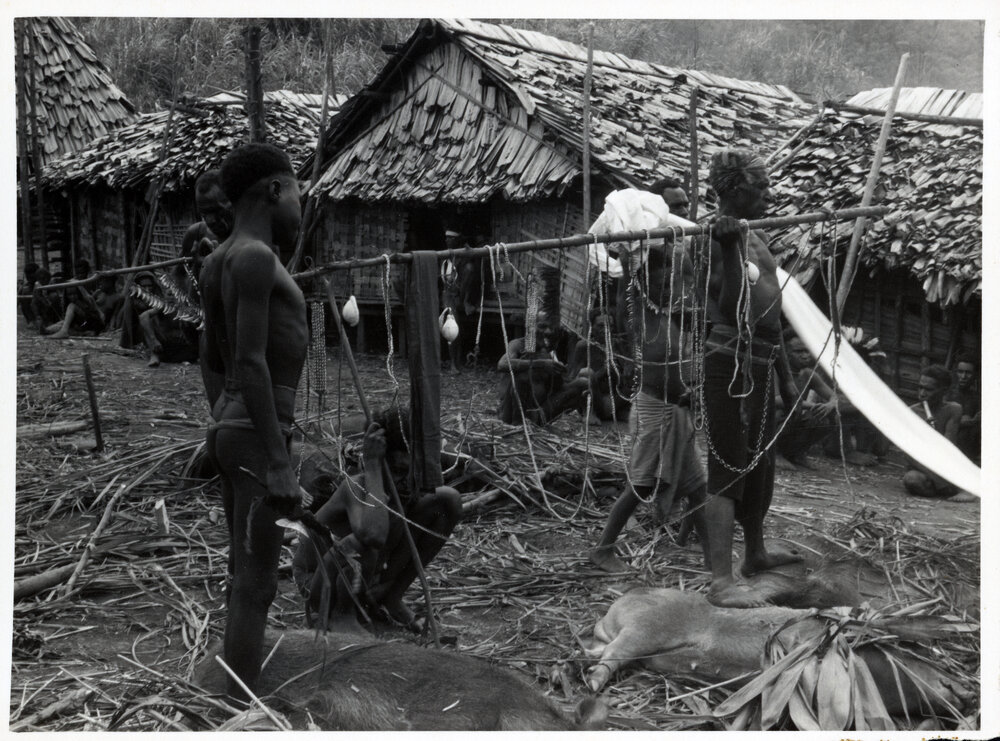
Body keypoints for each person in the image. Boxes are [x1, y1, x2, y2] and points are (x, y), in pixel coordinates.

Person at [199, 143, 308, 699]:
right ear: (272, 191)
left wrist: (221, 422)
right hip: (255, 438)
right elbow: (248, 359)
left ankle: (230, 685)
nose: (299, 206)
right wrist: (276, 459)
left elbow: (211, 363)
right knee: (258, 584)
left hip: (233, 429)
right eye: (296, 193)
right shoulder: (257, 258)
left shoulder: (218, 259)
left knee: (243, 571)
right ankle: (236, 707)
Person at [698, 148, 802, 608]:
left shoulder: (755, 235)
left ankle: (755, 552)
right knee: (727, 464)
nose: (768, 195)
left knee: (760, 461)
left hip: (762, 358)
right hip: (730, 360)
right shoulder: (716, 237)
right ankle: (721, 580)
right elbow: (731, 307)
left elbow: (770, 312)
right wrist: (727, 246)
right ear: (736, 191)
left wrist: (787, 374)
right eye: (761, 188)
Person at [589, 243, 711, 572]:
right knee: (641, 484)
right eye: (657, 283)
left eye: (667, 283)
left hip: (678, 411)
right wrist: (630, 263)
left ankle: (714, 562)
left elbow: (687, 276)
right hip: (653, 409)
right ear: (644, 285)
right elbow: (626, 292)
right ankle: (603, 549)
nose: (665, 288)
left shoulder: (670, 317)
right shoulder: (641, 315)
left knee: (698, 488)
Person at [292, 407, 462, 632]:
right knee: (365, 537)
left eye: (409, 471)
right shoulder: (358, 485)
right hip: (321, 583)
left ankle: (391, 597)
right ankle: (342, 614)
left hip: (363, 575)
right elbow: (373, 536)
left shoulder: (405, 485)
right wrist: (373, 466)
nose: (403, 480)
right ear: (379, 461)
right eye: (397, 470)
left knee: (447, 500)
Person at [774, 334, 871, 467]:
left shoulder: (808, 374)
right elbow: (776, 400)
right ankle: (775, 454)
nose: (805, 355)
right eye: (798, 351)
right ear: (786, 353)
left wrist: (830, 405)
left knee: (829, 417)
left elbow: (833, 396)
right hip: (774, 420)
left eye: (806, 351)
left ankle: (797, 453)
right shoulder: (776, 371)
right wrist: (810, 405)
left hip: (794, 416)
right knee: (790, 412)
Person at [496, 311, 590, 426]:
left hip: (537, 413)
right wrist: (542, 364)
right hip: (510, 414)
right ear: (530, 326)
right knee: (523, 375)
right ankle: (518, 424)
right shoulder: (518, 344)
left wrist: (559, 374)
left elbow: (558, 388)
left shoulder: (547, 352)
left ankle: (534, 422)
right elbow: (502, 364)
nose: (548, 331)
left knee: (582, 383)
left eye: (551, 327)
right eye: (542, 326)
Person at [902, 365, 974, 501]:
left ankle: (953, 487)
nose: (922, 393)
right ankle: (949, 488)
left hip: (944, 464)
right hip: (922, 467)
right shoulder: (911, 412)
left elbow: (948, 447)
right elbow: (910, 454)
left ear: (943, 391)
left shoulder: (954, 409)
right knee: (911, 479)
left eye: (928, 389)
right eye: (920, 387)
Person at [567, 312, 631, 423]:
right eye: (601, 326)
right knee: (587, 373)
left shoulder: (619, 345)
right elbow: (574, 380)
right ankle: (590, 413)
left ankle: (614, 413)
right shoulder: (584, 346)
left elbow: (626, 378)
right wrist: (603, 372)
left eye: (610, 326)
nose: (607, 330)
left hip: (614, 400)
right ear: (592, 328)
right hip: (594, 399)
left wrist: (625, 370)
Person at [45, 276, 123, 339]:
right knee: (57, 325)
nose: (100, 283)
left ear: (110, 282)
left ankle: (64, 331)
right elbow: (90, 304)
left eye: (103, 281)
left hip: (97, 323)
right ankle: (52, 330)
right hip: (87, 321)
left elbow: (115, 315)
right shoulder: (99, 293)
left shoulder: (117, 297)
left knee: (71, 306)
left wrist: (111, 327)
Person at [946, 352, 980, 463]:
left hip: (969, 450)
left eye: (968, 373)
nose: (963, 377)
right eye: (960, 372)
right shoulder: (946, 393)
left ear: (975, 374)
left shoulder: (978, 397)